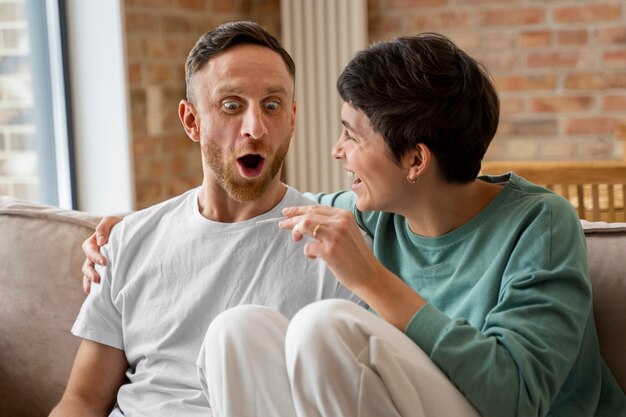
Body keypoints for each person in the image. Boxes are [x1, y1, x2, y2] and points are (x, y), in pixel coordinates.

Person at [82, 35, 626, 417]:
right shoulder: (373, 212)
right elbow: (263, 202)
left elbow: (517, 400)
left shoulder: (540, 223)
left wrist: (370, 279)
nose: (336, 150)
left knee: (326, 328)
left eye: (352, 135)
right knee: (237, 330)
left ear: (415, 161)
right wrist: (134, 230)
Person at [50, 21, 359, 417]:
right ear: (191, 121)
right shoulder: (128, 240)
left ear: (293, 117)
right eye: (231, 106)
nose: (255, 128)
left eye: (272, 105)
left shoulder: (337, 251)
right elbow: (83, 400)